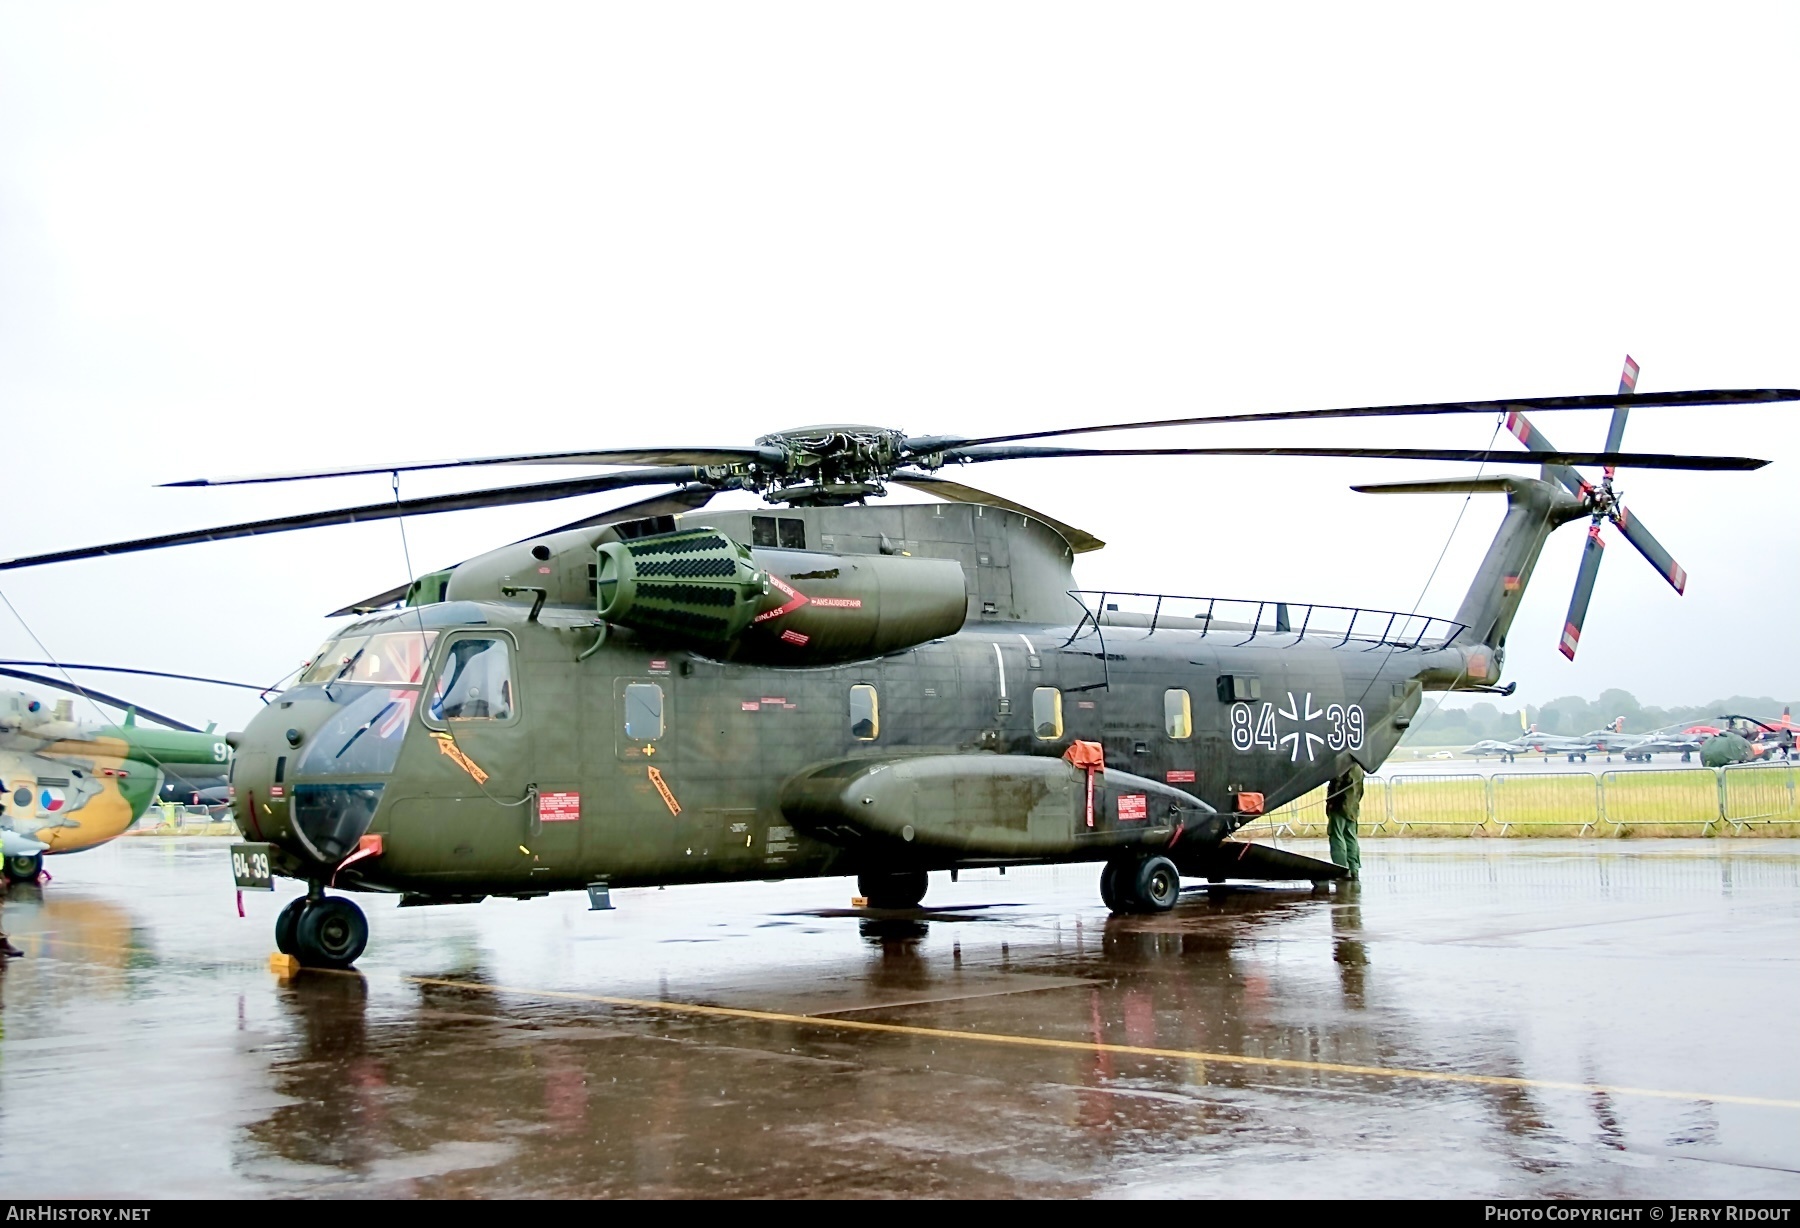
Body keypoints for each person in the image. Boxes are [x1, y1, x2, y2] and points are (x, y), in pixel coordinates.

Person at [1326, 763, 1363, 881]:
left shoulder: (1343, 766)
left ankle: (1341, 869)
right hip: (1352, 806)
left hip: (1339, 806)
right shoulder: (1359, 768)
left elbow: (1336, 785)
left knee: (1337, 836)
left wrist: (1331, 802)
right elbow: (1361, 791)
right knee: (1351, 837)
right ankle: (1354, 869)